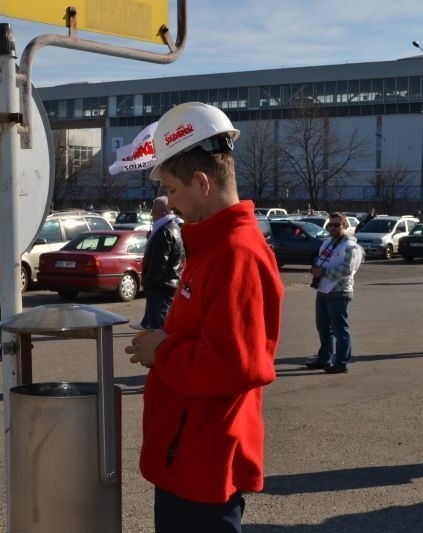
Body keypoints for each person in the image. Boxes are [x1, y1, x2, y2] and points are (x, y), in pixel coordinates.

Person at [123, 102, 283, 531]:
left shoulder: (236, 253)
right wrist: (164, 340)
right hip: (189, 453)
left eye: (173, 190)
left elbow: (237, 364)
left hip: (204, 457)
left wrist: (163, 350)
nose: (170, 204)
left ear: (201, 182)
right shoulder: (213, 246)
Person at [304, 212, 364, 374]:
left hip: (339, 292)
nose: (332, 228)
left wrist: (322, 272)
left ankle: (341, 362)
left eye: (336, 225)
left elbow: (346, 270)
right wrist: (315, 268)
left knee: (339, 330)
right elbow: (319, 260)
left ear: (345, 226)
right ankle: (324, 359)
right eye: (330, 225)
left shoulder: (351, 246)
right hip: (323, 290)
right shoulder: (327, 244)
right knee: (323, 328)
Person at [139, 196, 184, 330]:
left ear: (163, 212)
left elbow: (158, 263)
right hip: (167, 284)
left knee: (158, 329)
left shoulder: (165, 231)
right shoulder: (170, 228)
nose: (151, 214)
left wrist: (147, 282)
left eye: (154, 210)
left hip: (162, 286)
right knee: (157, 325)